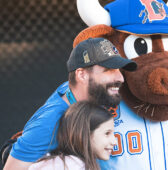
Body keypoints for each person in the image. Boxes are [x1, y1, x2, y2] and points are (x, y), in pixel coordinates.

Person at [3, 38, 137, 170]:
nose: (120, 78)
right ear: (82, 75)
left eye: (119, 70)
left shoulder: (74, 90)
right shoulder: (50, 123)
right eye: (109, 70)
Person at [28, 101, 116, 170]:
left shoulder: (59, 163)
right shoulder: (74, 166)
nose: (114, 142)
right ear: (84, 134)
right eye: (107, 133)